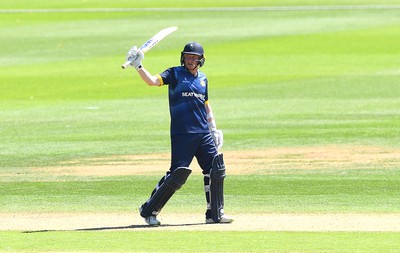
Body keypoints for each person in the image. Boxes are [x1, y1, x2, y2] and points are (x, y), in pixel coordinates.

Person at [125, 41, 234, 226]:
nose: (191, 60)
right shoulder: (174, 73)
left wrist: (213, 128)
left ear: (201, 60)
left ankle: (214, 214)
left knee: (216, 169)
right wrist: (138, 66)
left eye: (194, 57)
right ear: (183, 58)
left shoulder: (203, 79)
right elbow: (152, 81)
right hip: (183, 133)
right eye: (188, 57)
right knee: (177, 174)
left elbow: (206, 105)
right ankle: (149, 210)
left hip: (203, 133)